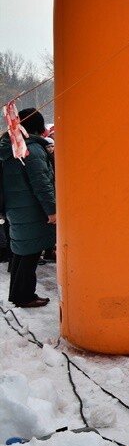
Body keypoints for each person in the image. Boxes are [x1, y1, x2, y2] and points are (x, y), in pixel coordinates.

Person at [1, 108, 56, 308]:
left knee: (21, 251)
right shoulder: (31, 149)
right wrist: (52, 210)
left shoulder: (11, 146)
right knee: (29, 253)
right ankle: (25, 296)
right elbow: (42, 184)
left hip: (16, 207)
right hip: (31, 208)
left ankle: (18, 294)